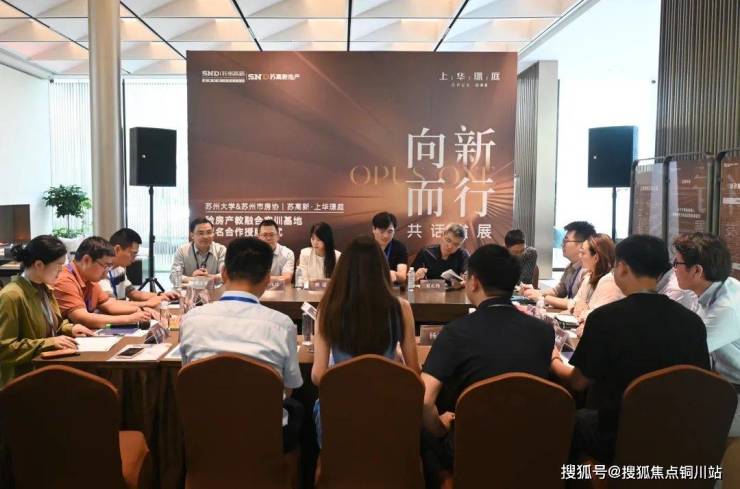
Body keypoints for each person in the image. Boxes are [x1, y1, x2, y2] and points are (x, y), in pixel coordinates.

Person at [551, 234, 710, 463]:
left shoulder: (605, 319)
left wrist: (554, 359)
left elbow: (578, 382)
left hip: (617, 431)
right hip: (675, 431)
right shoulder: (692, 322)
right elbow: (699, 381)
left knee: (568, 421)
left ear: (623, 268)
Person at [420, 245, 554, 487]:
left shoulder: (455, 333)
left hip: (471, 446)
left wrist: (439, 428)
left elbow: (424, 400)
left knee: (420, 433)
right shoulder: (544, 332)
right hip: (530, 445)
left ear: (474, 282)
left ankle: (447, 480)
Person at [179, 237, 303, 451]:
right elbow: (289, 388)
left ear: (223, 273)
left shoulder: (190, 320)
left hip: (205, 436)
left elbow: (188, 374)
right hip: (265, 437)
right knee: (298, 409)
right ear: (267, 279)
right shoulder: (283, 325)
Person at [311, 235, 419, 446]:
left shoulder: (327, 308)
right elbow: (414, 371)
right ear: (382, 269)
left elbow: (317, 375)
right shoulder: (401, 308)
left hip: (340, 409)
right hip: (387, 405)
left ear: (343, 270)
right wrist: (393, 359)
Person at [0, 236, 94, 387]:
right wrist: (47, 343)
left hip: (46, 372)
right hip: (21, 383)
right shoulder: (11, 296)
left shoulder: (45, 289)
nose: (62, 270)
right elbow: (4, 348)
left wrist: (70, 328)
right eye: (58, 265)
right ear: (39, 265)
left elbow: (52, 326)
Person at [673, 232, 740, 436]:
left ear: (697, 270)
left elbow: (685, 351)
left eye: (676, 263)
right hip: (721, 383)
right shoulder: (714, 288)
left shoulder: (726, 308)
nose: (673, 269)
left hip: (735, 392)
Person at [54, 237, 152, 328]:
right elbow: (82, 318)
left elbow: (109, 304)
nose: (106, 273)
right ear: (87, 260)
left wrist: (141, 309)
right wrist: (129, 319)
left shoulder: (90, 279)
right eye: (105, 266)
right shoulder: (64, 279)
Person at [522, 221, 596, 308]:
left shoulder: (588, 270)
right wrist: (535, 292)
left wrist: (542, 298)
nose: (562, 244)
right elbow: (558, 291)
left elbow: (577, 304)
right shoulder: (571, 267)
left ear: (582, 244)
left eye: (566, 241)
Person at [100, 228, 179, 304]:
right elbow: (112, 306)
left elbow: (133, 293)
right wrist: (145, 305)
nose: (134, 259)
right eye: (133, 254)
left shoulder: (120, 270)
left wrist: (160, 295)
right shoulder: (101, 273)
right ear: (117, 249)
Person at [569, 233, 624, 325]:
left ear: (596, 257)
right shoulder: (588, 277)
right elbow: (573, 302)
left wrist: (583, 309)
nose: (580, 256)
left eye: (583, 253)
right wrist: (576, 306)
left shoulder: (609, 281)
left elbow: (597, 317)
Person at [170, 218, 226, 286]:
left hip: (215, 290)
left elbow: (226, 275)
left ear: (213, 234)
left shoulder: (221, 250)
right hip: (189, 290)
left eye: (209, 232)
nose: (205, 237)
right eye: (200, 233)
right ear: (192, 235)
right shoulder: (182, 250)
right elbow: (173, 276)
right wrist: (194, 279)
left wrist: (208, 277)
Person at [371, 212, 408, 284]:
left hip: (390, 288)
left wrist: (395, 275)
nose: (385, 236)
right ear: (373, 229)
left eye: (390, 231)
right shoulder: (365, 246)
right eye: (382, 231)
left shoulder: (400, 247)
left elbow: (402, 277)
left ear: (394, 230)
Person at [257, 219, 295, 284]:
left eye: (271, 235)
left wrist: (259, 279)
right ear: (258, 237)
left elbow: (287, 279)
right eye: (264, 235)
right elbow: (247, 279)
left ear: (278, 236)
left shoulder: (287, 253)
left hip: (280, 290)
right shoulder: (252, 253)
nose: (268, 238)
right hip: (256, 290)